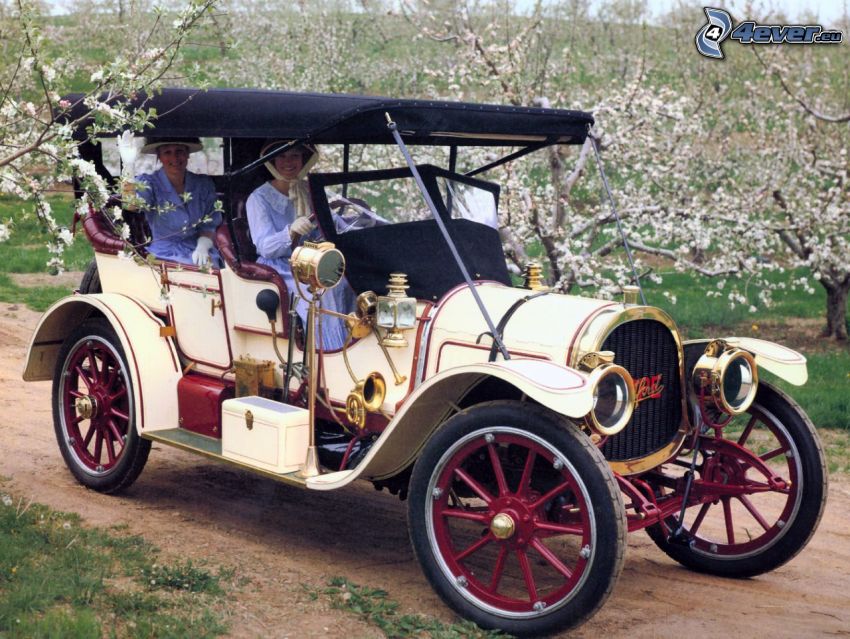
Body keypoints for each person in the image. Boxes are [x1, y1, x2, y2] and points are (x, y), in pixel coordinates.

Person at [246, 141, 355, 350]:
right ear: (273, 161)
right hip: (280, 266)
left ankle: (351, 340)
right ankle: (328, 352)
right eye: (282, 157)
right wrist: (290, 231)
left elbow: (330, 227)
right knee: (323, 290)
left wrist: (356, 216)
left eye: (294, 156)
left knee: (346, 278)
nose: (288, 162)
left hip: (313, 260)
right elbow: (265, 247)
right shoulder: (258, 198)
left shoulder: (308, 189)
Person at [130, 137, 222, 267]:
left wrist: (203, 247)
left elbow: (209, 225)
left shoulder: (203, 184)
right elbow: (131, 205)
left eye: (179, 151)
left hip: (198, 250)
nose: (174, 158)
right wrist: (128, 166)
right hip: (164, 254)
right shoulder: (149, 182)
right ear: (159, 157)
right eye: (167, 152)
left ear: (187, 154)